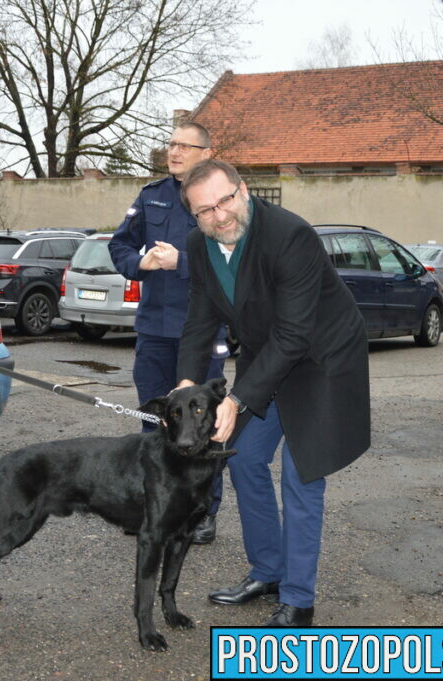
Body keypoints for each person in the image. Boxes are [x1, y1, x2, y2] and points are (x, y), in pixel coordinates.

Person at [174, 159, 370, 627]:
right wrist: (185, 384)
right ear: (194, 216)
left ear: (243, 190)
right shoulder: (199, 246)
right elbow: (200, 320)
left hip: (322, 359)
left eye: (225, 201)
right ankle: (268, 573)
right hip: (268, 358)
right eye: (205, 211)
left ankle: (299, 602)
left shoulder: (290, 236)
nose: (219, 215)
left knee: (302, 476)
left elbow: (294, 335)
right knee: (242, 459)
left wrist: (236, 399)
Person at [108, 122, 229, 544]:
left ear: (206, 153)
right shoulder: (151, 195)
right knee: (153, 422)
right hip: (155, 331)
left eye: (184, 146)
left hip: (201, 332)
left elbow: (232, 259)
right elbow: (119, 245)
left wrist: (183, 262)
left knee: (203, 426)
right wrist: (139, 264)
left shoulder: (220, 199)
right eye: (171, 143)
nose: (174, 151)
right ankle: (153, 508)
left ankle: (202, 512)